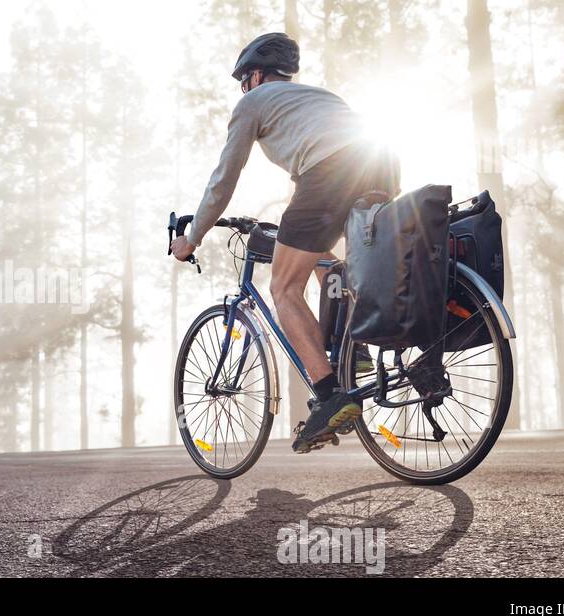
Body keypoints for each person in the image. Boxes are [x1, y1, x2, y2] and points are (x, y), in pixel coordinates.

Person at [169, 32, 399, 453]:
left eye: (243, 80)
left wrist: (192, 236)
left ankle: (330, 396)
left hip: (330, 172)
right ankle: (356, 348)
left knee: (283, 287)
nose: (243, 89)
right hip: (381, 164)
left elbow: (223, 181)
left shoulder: (252, 103)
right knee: (324, 261)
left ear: (256, 75)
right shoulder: (316, 96)